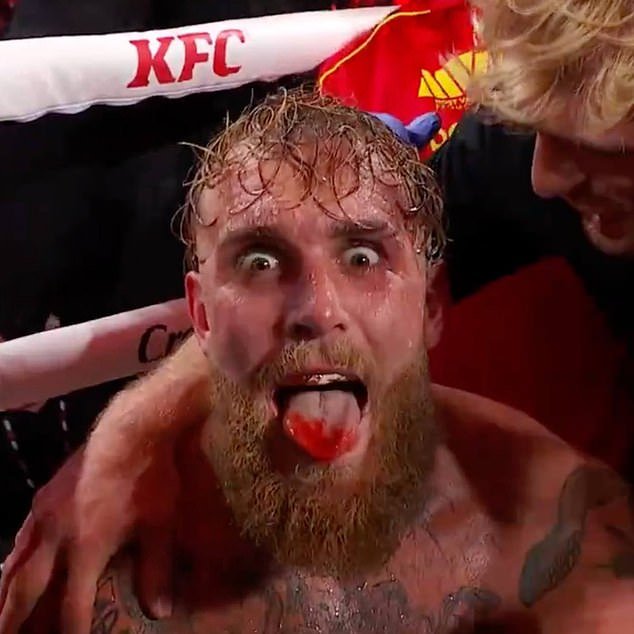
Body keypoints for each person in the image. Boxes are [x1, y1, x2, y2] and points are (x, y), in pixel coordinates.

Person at [2, 0, 633, 629]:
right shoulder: (527, 162)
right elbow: (390, 249)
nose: (546, 177)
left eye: (591, 142)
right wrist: (134, 430)